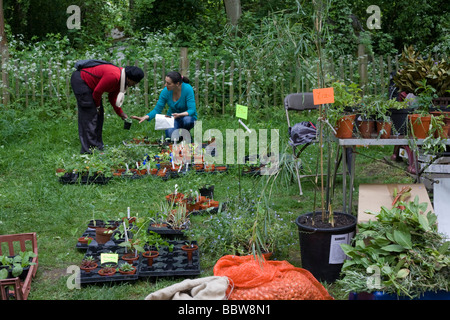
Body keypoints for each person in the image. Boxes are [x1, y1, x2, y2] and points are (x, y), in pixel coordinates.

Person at [71, 63, 144, 154]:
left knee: (99, 115)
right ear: (129, 79)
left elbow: (112, 97)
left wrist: (120, 113)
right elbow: (97, 93)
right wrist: (97, 107)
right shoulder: (114, 76)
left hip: (92, 87)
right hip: (81, 81)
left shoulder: (121, 80)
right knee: (90, 114)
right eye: (134, 83)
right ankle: (89, 150)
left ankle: (98, 146)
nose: (133, 85)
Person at [132, 71, 197, 141]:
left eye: (168, 83)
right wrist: (146, 117)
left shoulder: (187, 89)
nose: (165, 85)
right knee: (170, 137)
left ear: (177, 84)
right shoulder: (165, 92)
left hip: (187, 117)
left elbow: (192, 110)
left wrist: (180, 114)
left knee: (187, 121)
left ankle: (186, 135)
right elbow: (157, 110)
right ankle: (179, 138)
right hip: (172, 118)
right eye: (165, 82)